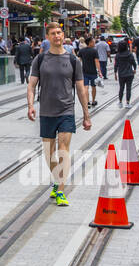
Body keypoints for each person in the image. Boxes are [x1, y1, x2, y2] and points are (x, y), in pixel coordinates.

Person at [27, 24, 91, 207]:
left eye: (59, 33)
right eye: (53, 33)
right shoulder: (40, 60)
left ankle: (61, 190)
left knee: (63, 149)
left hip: (66, 111)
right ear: (47, 37)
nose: (57, 36)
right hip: (47, 111)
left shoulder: (73, 60)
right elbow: (31, 86)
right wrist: (31, 106)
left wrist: (86, 115)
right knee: (49, 153)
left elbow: (80, 89)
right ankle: (57, 180)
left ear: (63, 35)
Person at [77, 36, 100, 105]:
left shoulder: (82, 51)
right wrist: (99, 71)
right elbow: (96, 62)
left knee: (85, 86)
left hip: (84, 71)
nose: (94, 43)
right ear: (90, 43)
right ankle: (93, 101)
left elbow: (78, 61)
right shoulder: (94, 51)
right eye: (93, 41)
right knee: (93, 86)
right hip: (93, 72)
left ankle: (87, 101)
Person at [114, 40, 136, 105]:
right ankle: (128, 103)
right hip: (129, 74)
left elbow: (116, 65)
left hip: (121, 74)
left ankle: (120, 102)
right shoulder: (130, 54)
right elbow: (134, 63)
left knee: (121, 88)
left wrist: (115, 73)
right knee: (128, 89)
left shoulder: (117, 55)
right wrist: (134, 69)